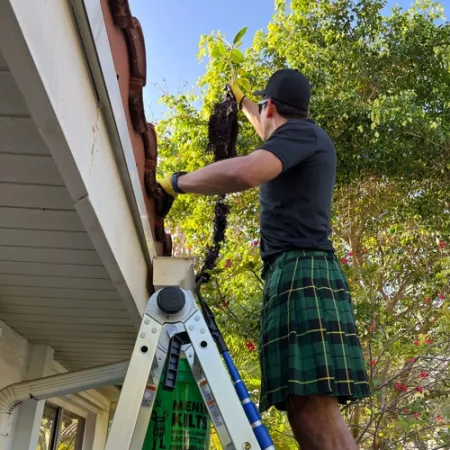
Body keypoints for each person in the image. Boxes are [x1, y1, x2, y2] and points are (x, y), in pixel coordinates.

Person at [158, 68, 370, 449]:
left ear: (271, 105)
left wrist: (175, 183)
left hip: (303, 271)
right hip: (292, 271)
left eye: (262, 108)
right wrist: (241, 100)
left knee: (314, 404)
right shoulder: (298, 136)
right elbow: (264, 125)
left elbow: (246, 172)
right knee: (301, 406)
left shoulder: (301, 136)